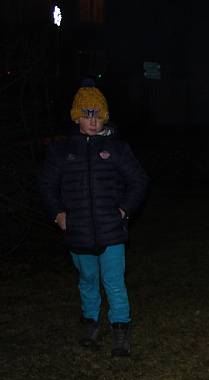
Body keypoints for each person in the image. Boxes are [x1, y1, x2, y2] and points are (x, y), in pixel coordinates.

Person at [39, 82, 150, 357]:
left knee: (114, 281)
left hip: (111, 231)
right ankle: (90, 324)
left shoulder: (117, 149)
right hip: (78, 232)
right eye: (88, 115)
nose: (93, 121)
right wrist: (58, 213)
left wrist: (124, 209)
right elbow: (45, 184)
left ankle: (121, 330)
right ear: (77, 116)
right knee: (88, 279)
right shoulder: (62, 152)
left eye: (98, 115)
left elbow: (139, 180)